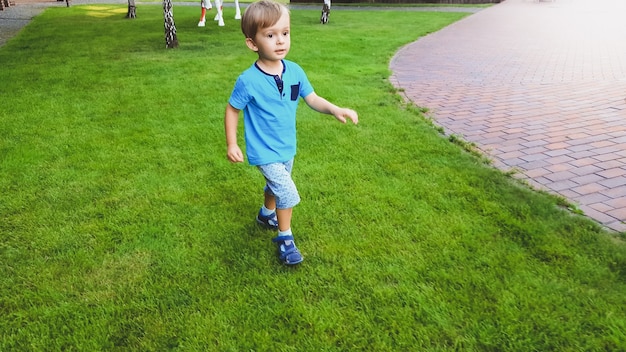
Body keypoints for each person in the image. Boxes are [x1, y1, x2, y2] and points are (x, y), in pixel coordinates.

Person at [224, 0, 358, 265]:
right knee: (287, 192)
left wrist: (334, 109)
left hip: (287, 147)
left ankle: (265, 214)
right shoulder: (248, 80)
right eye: (270, 35)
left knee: (276, 185)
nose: (280, 41)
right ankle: (285, 238)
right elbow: (232, 109)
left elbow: (312, 98)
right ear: (253, 43)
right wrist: (232, 144)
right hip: (264, 151)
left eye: (285, 33)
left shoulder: (295, 71)